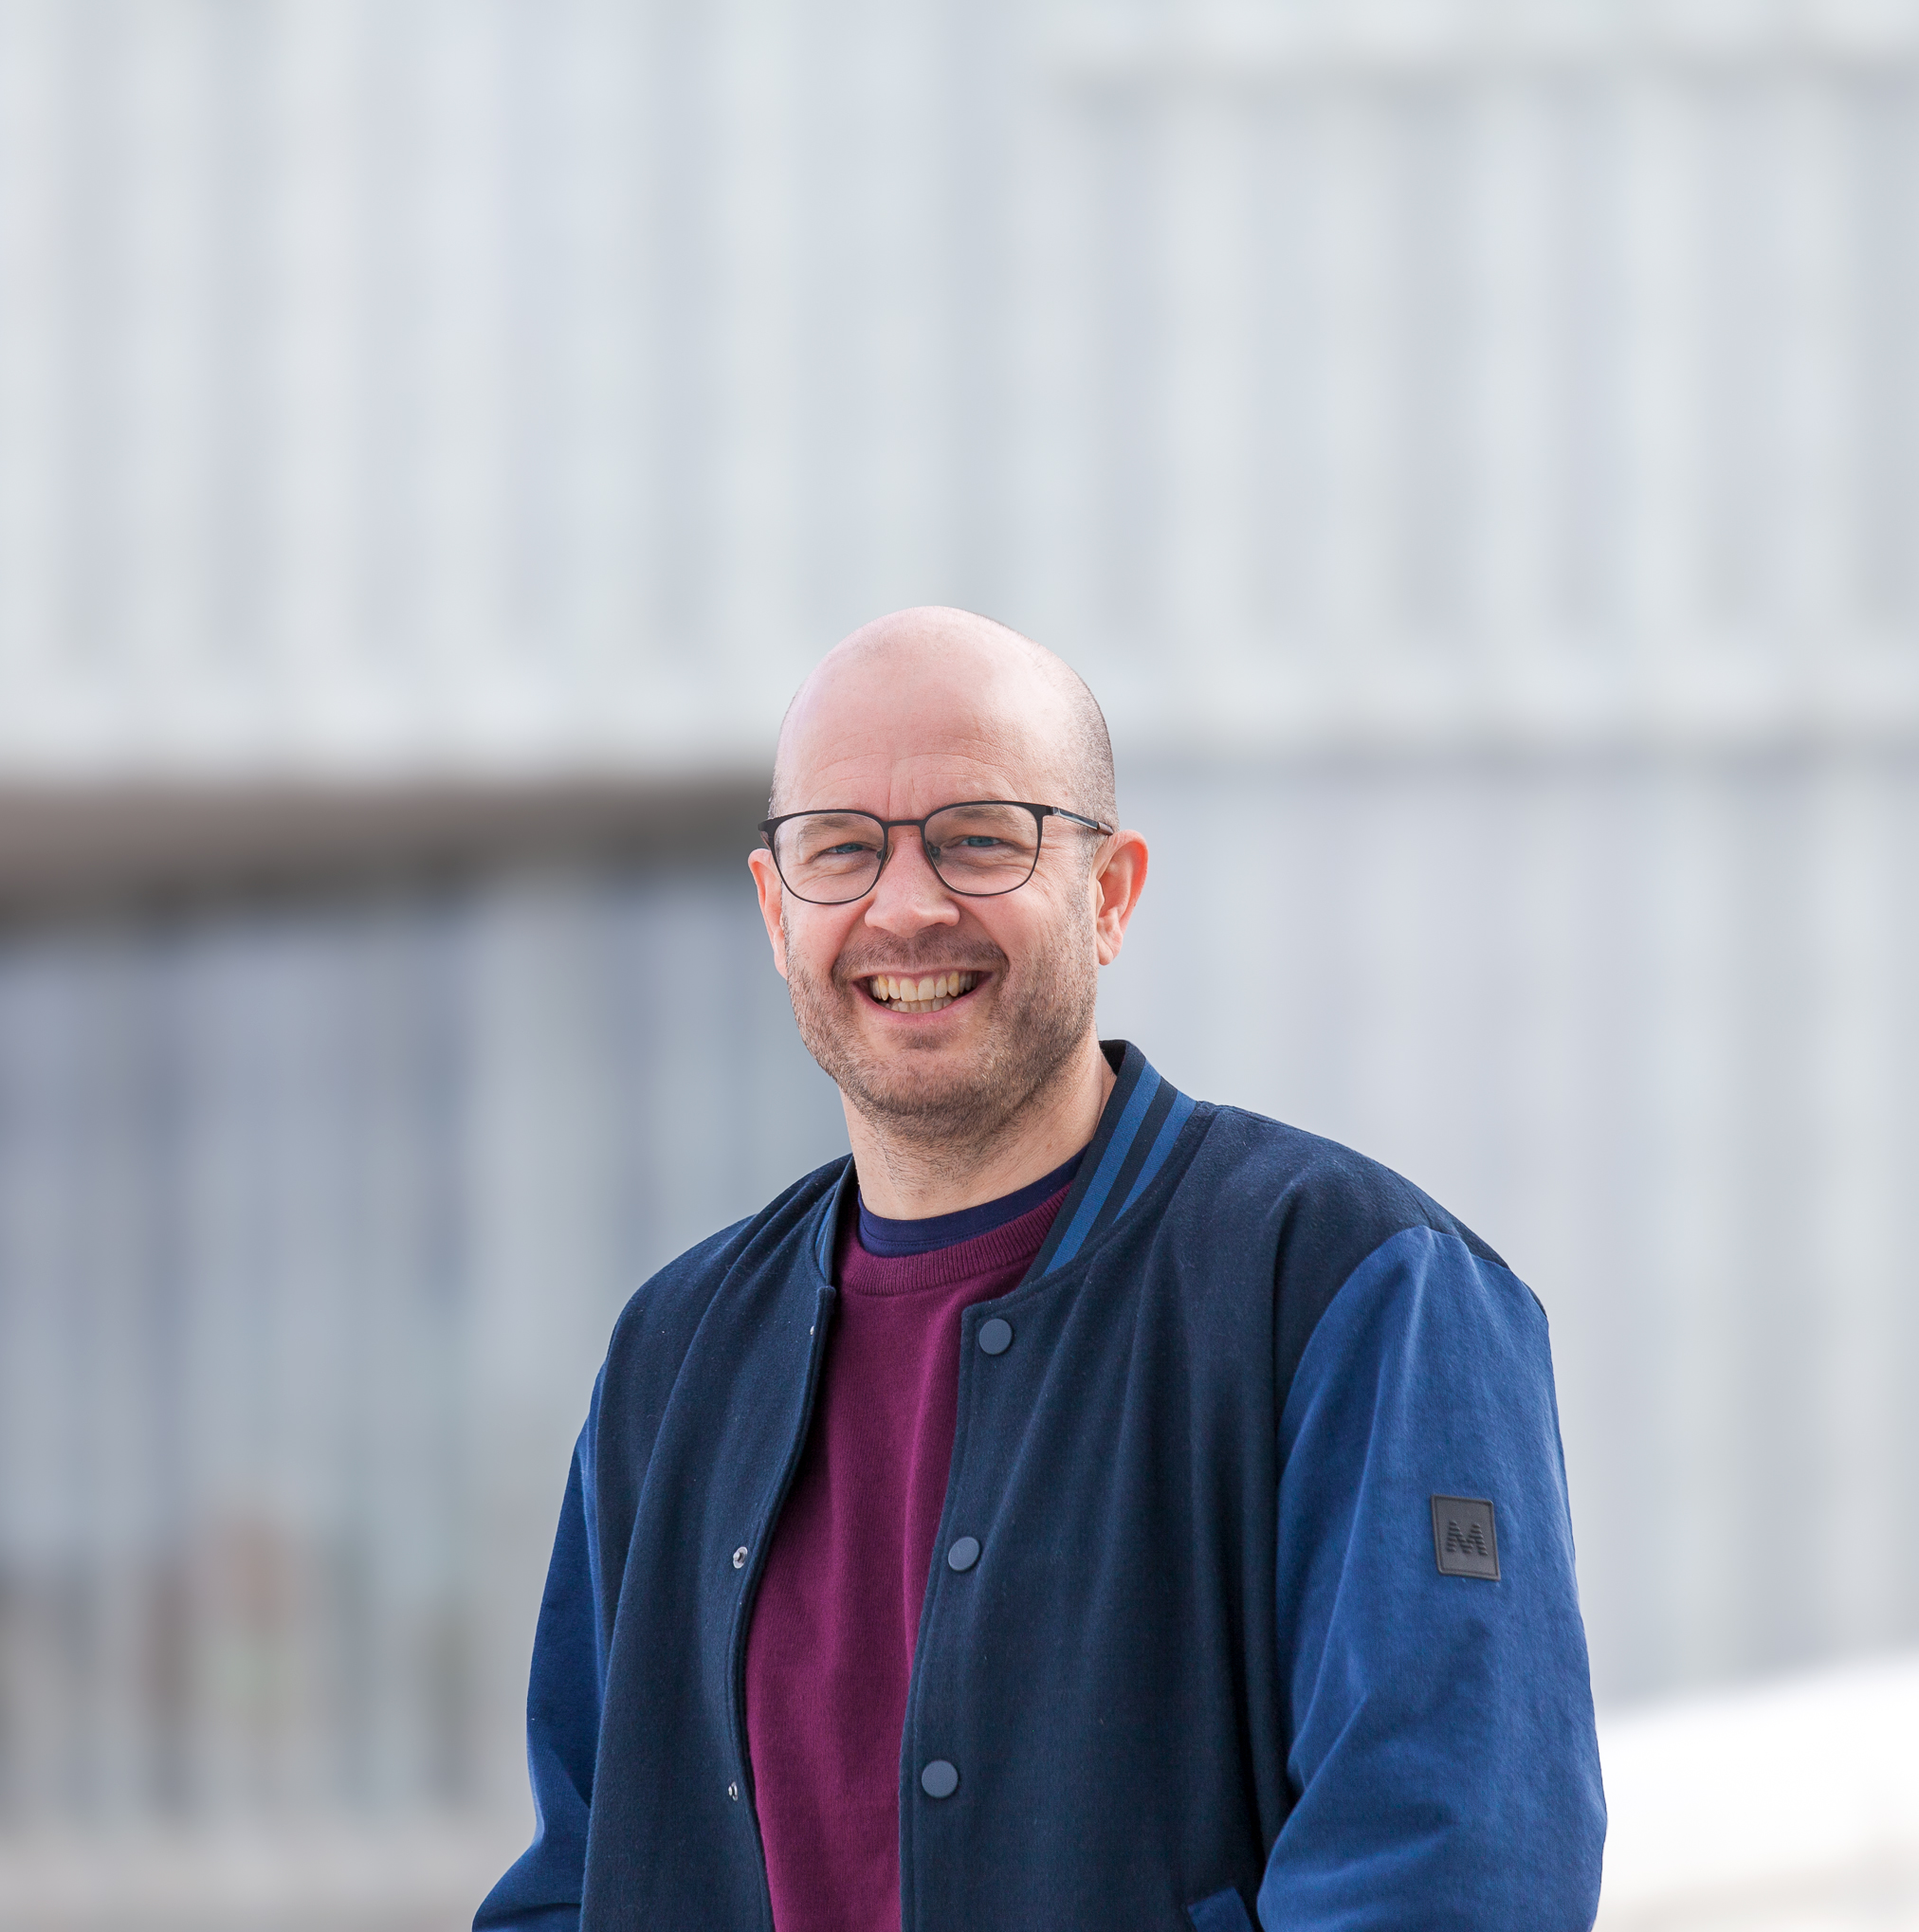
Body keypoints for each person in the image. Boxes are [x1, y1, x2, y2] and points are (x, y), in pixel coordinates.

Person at [475, 607, 1605, 1932]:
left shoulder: (1358, 1291)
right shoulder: (675, 1357)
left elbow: (1448, 1874)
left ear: (1110, 893)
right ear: (777, 913)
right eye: (841, 849)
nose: (906, 906)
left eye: (979, 838)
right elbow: (575, 1880)